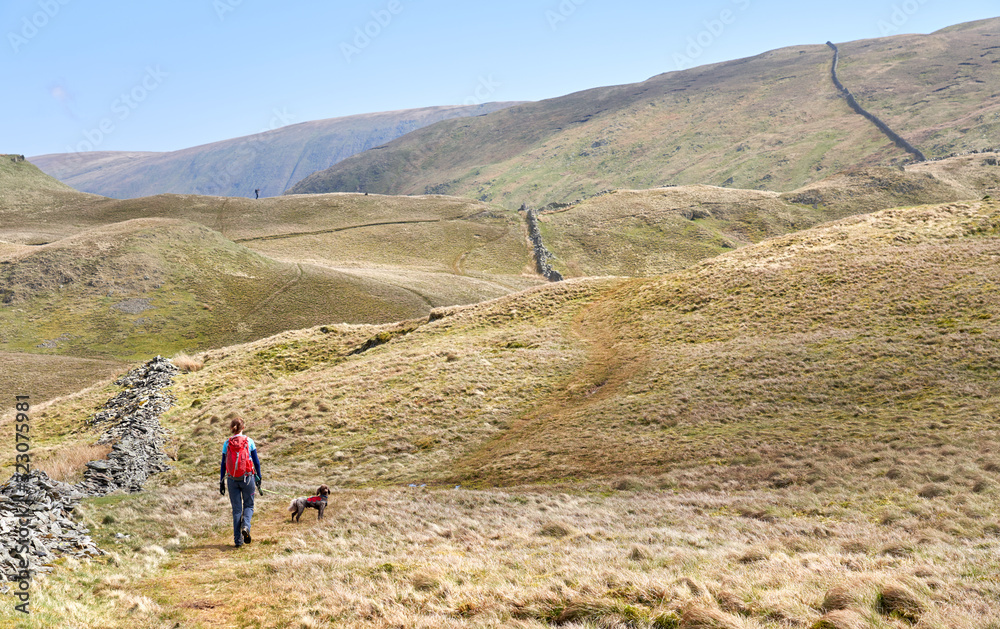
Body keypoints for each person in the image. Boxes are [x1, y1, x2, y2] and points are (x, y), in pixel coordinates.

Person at [219, 417, 261, 548]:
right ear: (243, 428)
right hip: (248, 478)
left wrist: (221, 481)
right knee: (249, 505)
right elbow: (256, 462)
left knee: (237, 510)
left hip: (232, 479)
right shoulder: (249, 441)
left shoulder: (227, 443)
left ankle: (238, 540)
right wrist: (259, 477)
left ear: (232, 428)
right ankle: (246, 527)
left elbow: (223, 463)